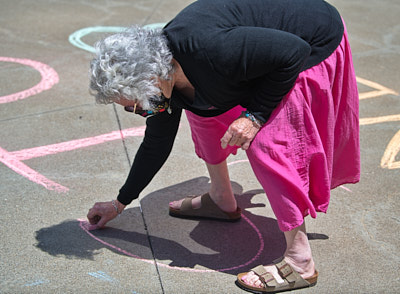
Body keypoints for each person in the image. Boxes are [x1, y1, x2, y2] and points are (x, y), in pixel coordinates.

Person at [87, 0, 360, 292]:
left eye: (137, 105)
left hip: (311, 39)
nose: (141, 112)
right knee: (203, 113)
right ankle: (221, 198)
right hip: (265, 52)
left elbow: (293, 52)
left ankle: (300, 261)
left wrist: (255, 116)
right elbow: (157, 142)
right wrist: (120, 203)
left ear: (154, 78)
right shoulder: (165, 79)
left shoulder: (211, 50)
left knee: (267, 141)